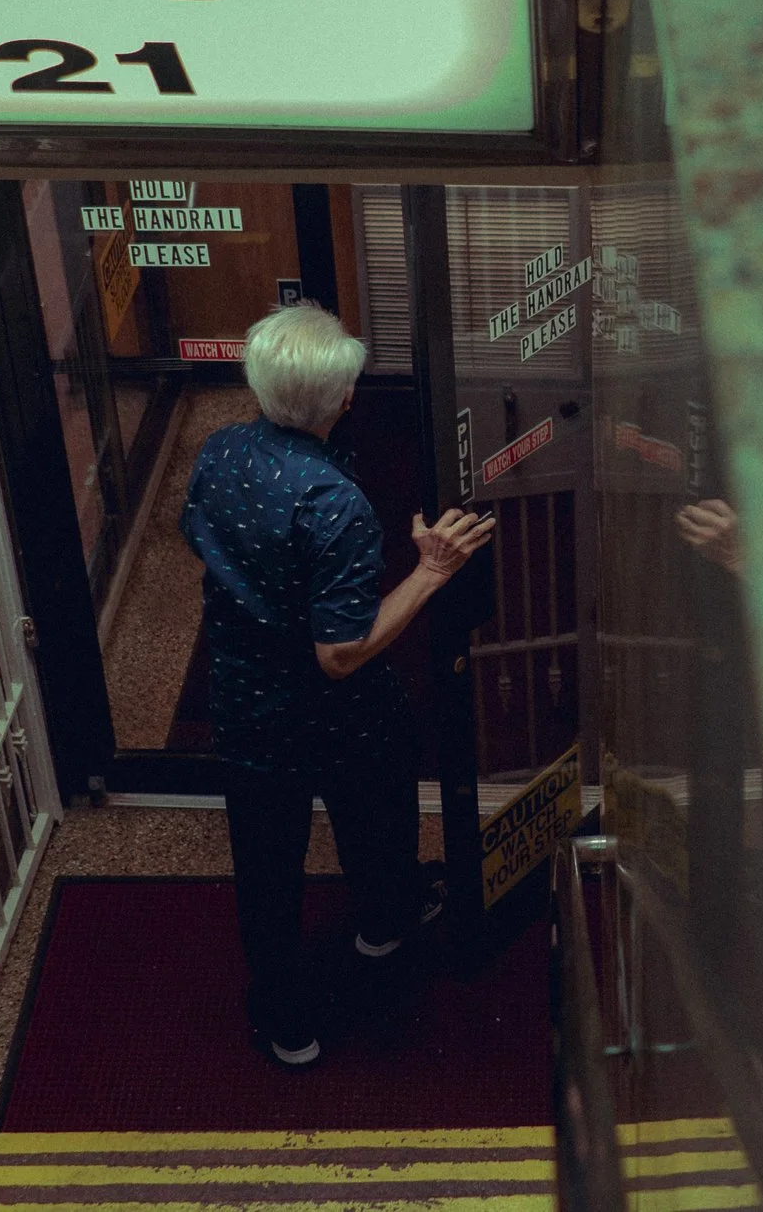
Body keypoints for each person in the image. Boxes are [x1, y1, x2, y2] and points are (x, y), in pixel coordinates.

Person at [179, 305, 495, 1067]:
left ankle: (286, 1025)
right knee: (377, 819)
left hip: (244, 701)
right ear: (347, 399)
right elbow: (341, 653)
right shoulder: (335, 504)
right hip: (337, 713)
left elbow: (201, 537)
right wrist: (431, 571)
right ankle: (383, 933)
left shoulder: (218, 451)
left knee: (267, 869)